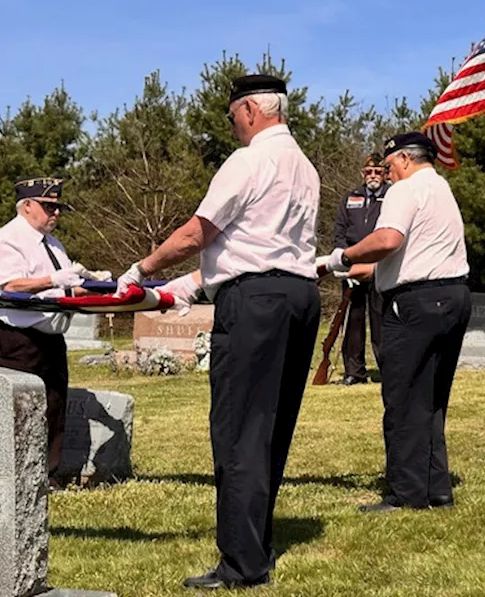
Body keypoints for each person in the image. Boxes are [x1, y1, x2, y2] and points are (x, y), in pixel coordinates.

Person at [115, 74, 320, 590]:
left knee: (238, 430)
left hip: (255, 304)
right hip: (298, 296)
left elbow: (197, 232)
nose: (231, 127)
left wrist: (142, 270)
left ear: (250, 110)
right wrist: (180, 291)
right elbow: (253, 248)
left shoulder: (249, 160)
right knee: (270, 429)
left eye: (231, 117)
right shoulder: (305, 167)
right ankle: (257, 544)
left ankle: (242, 564)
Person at [320, 131, 470, 512]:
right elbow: (409, 254)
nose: (386, 174)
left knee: (403, 398)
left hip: (414, 303)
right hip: (452, 296)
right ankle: (436, 488)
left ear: (404, 159)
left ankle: (406, 492)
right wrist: (351, 269)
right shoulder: (440, 189)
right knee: (432, 398)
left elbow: (387, 240)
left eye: (388, 166)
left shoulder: (404, 191)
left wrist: (342, 256)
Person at [0, 177, 110, 486]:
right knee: (18, 408)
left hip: (51, 337)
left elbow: (65, 289)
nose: (56, 214)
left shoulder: (53, 244)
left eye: (58, 207)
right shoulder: (7, 239)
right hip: (17, 339)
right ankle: (10, 478)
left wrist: (95, 286)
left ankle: (46, 477)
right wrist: (53, 280)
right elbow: (9, 285)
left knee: (53, 407)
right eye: (49, 206)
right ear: (27, 206)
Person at [331, 153, 387, 385]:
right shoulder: (350, 197)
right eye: (369, 172)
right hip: (352, 266)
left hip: (380, 265)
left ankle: (387, 369)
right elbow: (340, 231)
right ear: (363, 174)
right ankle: (354, 372)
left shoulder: (392, 197)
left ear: (384, 174)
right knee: (352, 320)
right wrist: (345, 259)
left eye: (378, 171)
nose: (373, 176)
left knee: (381, 320)